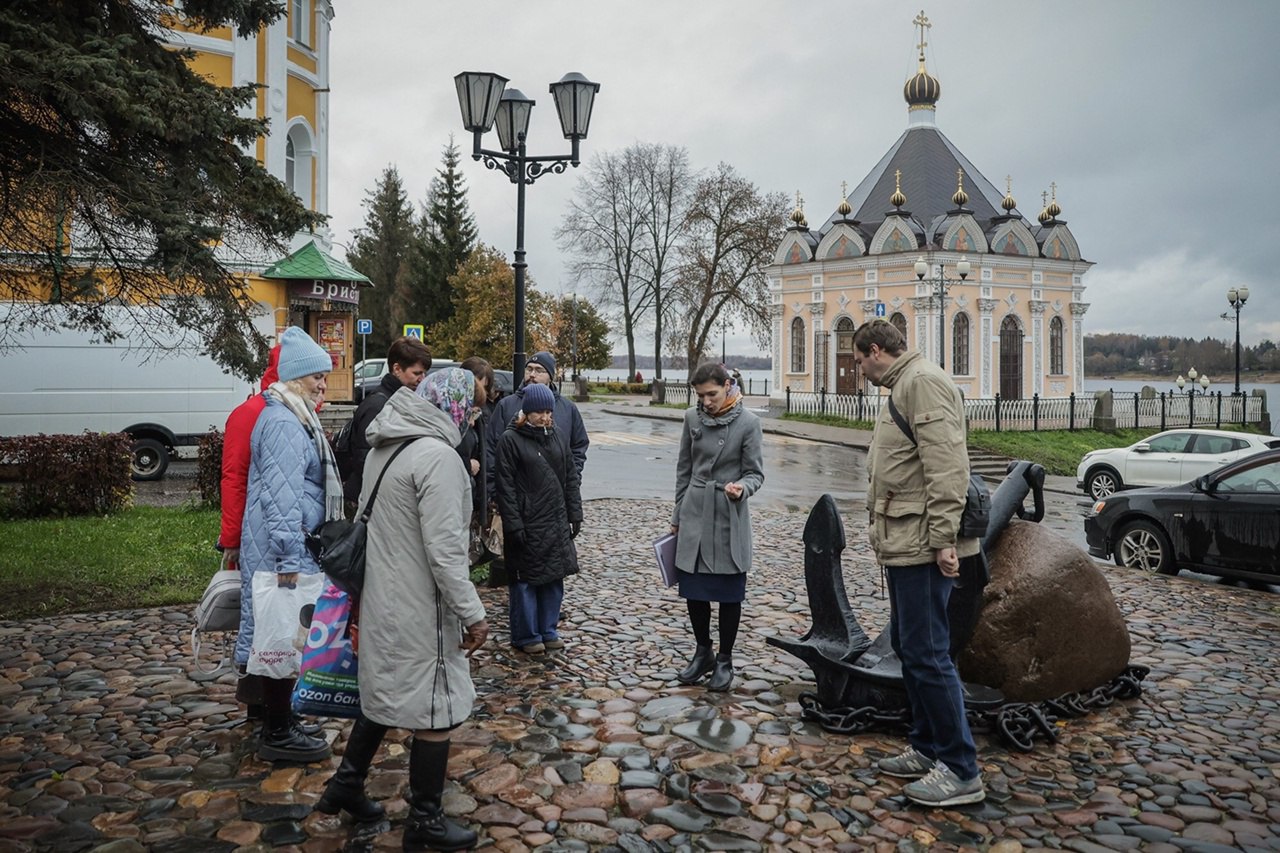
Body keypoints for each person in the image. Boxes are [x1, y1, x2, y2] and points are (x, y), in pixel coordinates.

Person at [316, 384, 489, 850]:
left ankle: (346, 784)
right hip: (421, 607)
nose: (473, 414)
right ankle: (425, 820)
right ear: (452, 406)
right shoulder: (438, 457)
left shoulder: (388, 447)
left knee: (387, 693)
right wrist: (473, 613)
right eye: (470, 404)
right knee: (436, 710)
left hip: (383, 596)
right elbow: (446, 553)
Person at [853, 318, 985, 808]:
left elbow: (946, 465)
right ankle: (928, 747)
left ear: (873, 350)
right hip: (905, 541)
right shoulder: (904, 385)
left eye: (858, 360)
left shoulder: (922, 383)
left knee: (929, 654)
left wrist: (944, 540)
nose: (859, 369)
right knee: (914, 650)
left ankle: (960, 768)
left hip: (923, 546)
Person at [239, 326, 339, 763]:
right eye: (318, 375)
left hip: (287, 545)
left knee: (283, 633)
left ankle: (282, 719)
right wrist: (287, 557)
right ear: (298, 376)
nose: (323, 384)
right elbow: (281, 497)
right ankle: (278, 730)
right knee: (281, 634)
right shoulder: (283, 421)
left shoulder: (294, 415)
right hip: (283, 549)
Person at [669, 362, 764, 692]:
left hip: (728, 512)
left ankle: (724, 659)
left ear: (727, 385)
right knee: (693, 589)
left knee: (727, 592)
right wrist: (677, 515)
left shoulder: (749, 423)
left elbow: (755, 474)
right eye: (700, 395)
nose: (706, 401)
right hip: (695, 510)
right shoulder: (691, 418)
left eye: (712, 394)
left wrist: (742, 488)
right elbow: (684, 470)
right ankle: (703, 651)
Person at [485, 351, 587, 587]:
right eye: (529, 369)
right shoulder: (508, 405)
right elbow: (493, 451)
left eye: (539, 370)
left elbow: (578, 446)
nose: (532, 374)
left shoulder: (567, 409)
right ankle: (526, 611)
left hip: (555, 500)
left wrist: (573, 477)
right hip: (521, 502)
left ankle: (548, 610)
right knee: (521, 565)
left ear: (551, 376)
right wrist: (494, 492)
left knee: (555, 559)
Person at [493, 382, 582, 654]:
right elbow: (505, 486)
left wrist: (575, 513)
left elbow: (570, 477)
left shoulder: (555, 435)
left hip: (554, 521)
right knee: (525, 582)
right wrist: (514, 524)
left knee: (553, 579)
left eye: (548, 411)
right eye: (539, 412)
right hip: (528, 522)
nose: (545, 417)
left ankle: (548, 629)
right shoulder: (510, 440)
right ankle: (526, 634)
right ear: (527, 412)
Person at [343, 336, 432, 506]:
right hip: (369, 499)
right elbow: (365, 459)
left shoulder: (398, 400)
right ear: (397, 368)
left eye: (424, 373)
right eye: (417, 373)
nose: (422, 379)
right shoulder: (378, 406)